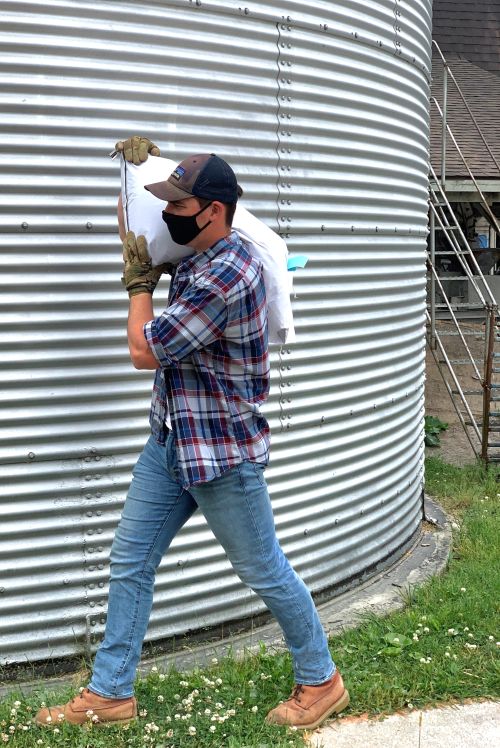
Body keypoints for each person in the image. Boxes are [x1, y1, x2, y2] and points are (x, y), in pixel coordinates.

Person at [35, 136, 349, 731]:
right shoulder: (198, 254)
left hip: (222, 455)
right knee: (131, 560)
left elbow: (142, 349)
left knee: (263, 569)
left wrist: (137, 289)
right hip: (172, 444)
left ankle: (321, 678)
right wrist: (139, 171)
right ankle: (110, 694)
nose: (169, 214)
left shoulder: (225, 276)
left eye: (180, 205)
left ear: (214, 212)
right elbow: (145, 230)